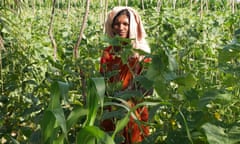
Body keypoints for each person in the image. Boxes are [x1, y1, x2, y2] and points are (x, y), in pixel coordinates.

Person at [100, 6, 151, 144]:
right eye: (116, 24)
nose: (120, 28)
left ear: (133, 26)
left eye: (125, 24)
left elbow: (147, 89)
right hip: (111, 109)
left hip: (134, 110)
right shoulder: (108, 52)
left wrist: (128, 98)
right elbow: (103, 78)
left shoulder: (142, 53)